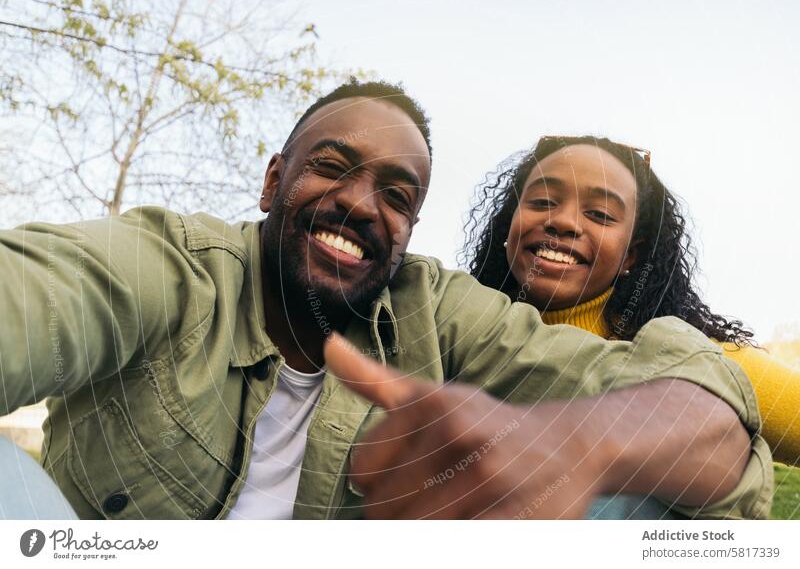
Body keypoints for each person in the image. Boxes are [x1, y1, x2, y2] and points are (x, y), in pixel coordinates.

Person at [0, 82, 770, 520]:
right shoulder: (171, 265)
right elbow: (40, 291)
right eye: (333, 166)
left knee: (649, 487)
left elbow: (721, 411)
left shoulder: (436, 309)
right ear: (273, 181)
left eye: (397, 196)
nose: (362, 205)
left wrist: (577, 446)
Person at [463, 134, 799, 468]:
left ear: (631, 256)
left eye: (600, 213)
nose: (562, 221)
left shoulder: (695, 362)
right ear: (508, 226)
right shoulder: (454, 333)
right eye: (541, 202)